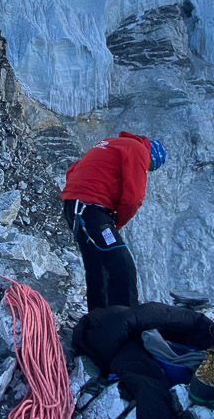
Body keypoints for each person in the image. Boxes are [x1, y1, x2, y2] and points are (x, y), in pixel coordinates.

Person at [72, 303, 214, 419]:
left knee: (150, 363)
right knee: (170, 322)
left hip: (107, 331)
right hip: (111, 328)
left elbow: (149, 385)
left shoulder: (121, 352)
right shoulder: (122, 349)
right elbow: (164, 314)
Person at [60, 132, 166, 310]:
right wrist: (116, 225)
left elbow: (73, 170)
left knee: (98, 267)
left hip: (76, 207)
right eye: (149, 167)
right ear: (152, 157)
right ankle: (125, 326)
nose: (146, 170)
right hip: (90, 209)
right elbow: (133, 197)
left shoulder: (109, 143)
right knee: (122, 266)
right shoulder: (139, 150)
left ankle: (98, 323)